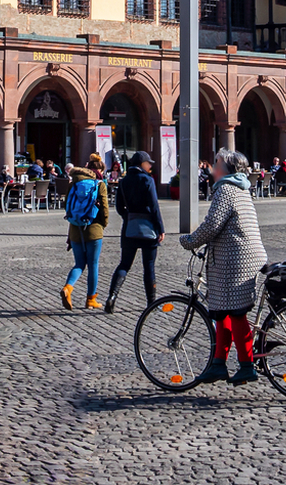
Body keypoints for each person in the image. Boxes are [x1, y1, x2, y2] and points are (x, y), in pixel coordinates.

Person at [181, 150, 269, 386]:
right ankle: (219, 363)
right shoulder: (240, 188)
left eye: (216, 164)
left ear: (227, 170)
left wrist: (189, 241)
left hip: (235, 261)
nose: (212, 169)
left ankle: (247, 365)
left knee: (236, 312)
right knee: (222, 311)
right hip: (241, 258)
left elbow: (212, 225)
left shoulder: (226, 190)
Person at [103, 149, 165, 314]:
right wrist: (161, 228)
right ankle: (151, 303)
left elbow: (119, 207)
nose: (150, 166)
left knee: (124, 264)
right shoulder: (147, 180)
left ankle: (112, 297)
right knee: (149, 266)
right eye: (148, 163)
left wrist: (129, 217)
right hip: (148, 229)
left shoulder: (123, 181)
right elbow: (154, 206)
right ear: (141, 164)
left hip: (129, 228)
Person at [61, 162, 109, 310]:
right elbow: (105, 209)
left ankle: (68, 288)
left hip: (75, 228)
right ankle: (90, 300)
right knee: (93, 264)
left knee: (79, 263)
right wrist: (103, 224)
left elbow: (67, 206)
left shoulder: (73, 184)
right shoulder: (99, 184)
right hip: (94, 229)